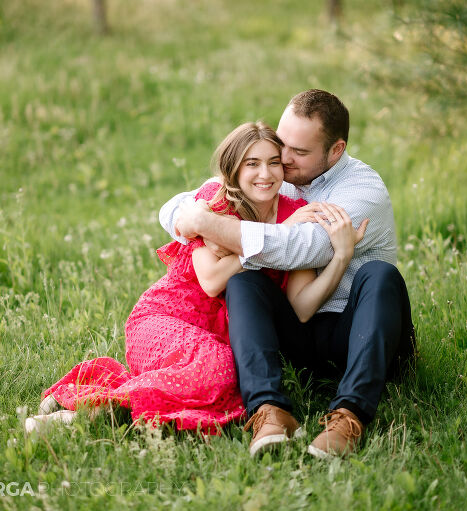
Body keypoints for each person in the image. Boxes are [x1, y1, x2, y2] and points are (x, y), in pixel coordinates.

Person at [26, 121, 366, 435]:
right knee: (215, 369)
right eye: (252, 163)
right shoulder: (215, 206)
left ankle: (106, 397)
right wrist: (276, 235)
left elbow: (301, 309)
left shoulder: (296, 217)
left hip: (226, 338)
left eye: (274, 162)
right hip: (167, 318)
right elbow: (212, 281)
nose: (265, 174)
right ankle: (88, 408)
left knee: (226, 376)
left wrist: (341, 257)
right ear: (233, 168)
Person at [160, 89, 416, 457]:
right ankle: (269, 410)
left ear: (335, 150)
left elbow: (299, 246)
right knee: (245, 279)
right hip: (301, 324)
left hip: (360, 330)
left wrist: (210, 225)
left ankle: (350, 415)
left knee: (379, 274)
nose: (283, 157)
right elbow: (183, 202)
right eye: (283, 144)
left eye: (299, 151)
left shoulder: (362, 191)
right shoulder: (283, 174)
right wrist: (191, 218)